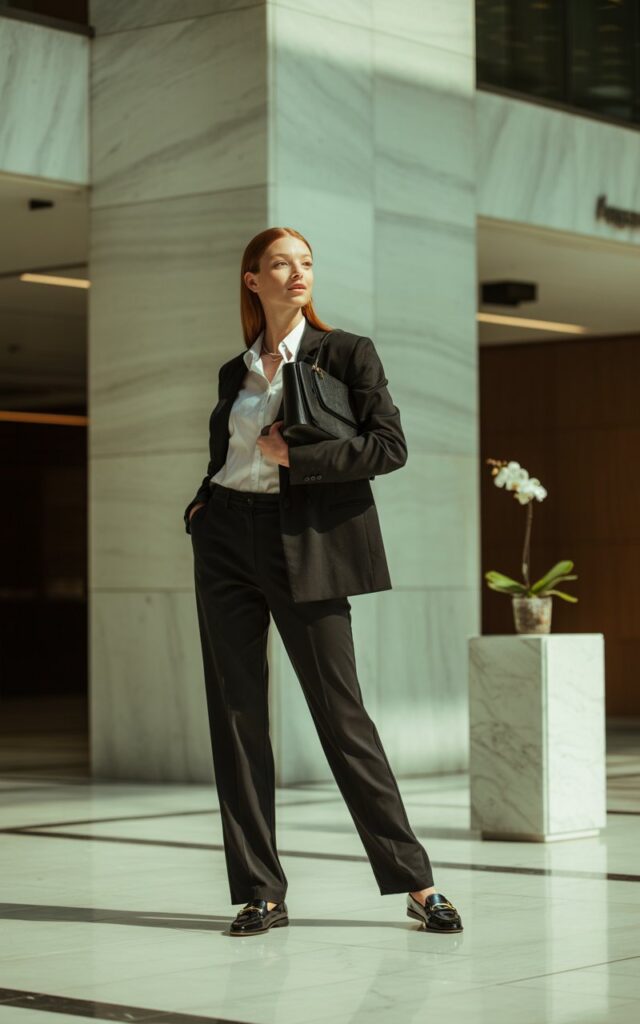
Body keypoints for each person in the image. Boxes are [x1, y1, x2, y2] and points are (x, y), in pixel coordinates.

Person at [184, 226, 463, 937]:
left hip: (302, 543)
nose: (296, 273)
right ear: (252, 279)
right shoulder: (235, 370)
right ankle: (261, 892)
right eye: (279, 263)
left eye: (305, 263)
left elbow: (389, 446)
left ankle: (416, 881)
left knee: (342, 715)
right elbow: (230, 451)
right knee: (236, 714)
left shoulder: (346, 354)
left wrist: (295, 460)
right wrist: (203, 503)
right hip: (225, 539)